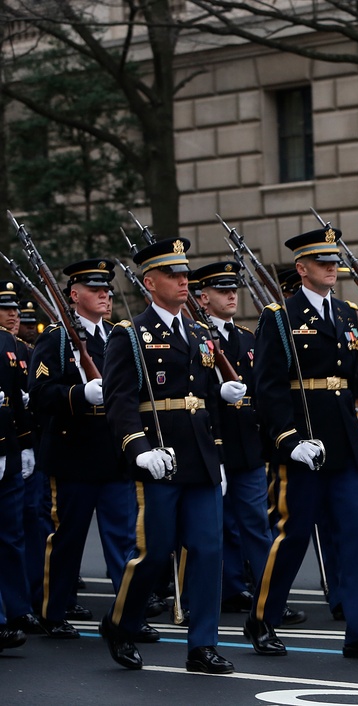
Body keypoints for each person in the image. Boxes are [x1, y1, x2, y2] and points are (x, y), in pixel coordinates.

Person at [246, 225, 358, 660]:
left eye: (335, 261)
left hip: (344, 441)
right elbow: (269, 385)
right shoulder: (280, 316)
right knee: (292, 538)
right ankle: (262, 618)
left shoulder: (347, 313)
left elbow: (352, 377)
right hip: (303, 443)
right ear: (303, 267)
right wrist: (288, 439)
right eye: (323, 262)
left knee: (354, 537)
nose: (333, 267)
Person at [100, 237, 235, 674]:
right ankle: (121, 624)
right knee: (155, 553)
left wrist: (218, 458)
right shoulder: (131, 334)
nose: (183, 281)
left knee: (209, 549)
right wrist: (138, 450)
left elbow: (207, 401)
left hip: (199, 459)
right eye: (174, 275)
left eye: (185, 274)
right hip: (160, 457)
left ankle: (202, 645)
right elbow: (120, 400)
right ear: (149, 282)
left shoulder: (199, 332)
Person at [29, 260, 141, 641]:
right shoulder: (57, 339)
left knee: (124, 541)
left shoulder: (119, 336)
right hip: (74, 455)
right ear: (75, 295)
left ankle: (128, 615)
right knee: (67, 541)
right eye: (96, 290)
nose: (105, 295)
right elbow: (40, 396)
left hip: (113, 453)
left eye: (107, 290)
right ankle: (53, 611)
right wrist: (79, 394)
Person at [193, 262, 274, 617]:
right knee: (219, 524)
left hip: (249, 443)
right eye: (222, 290)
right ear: (202, 297)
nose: (231, 295)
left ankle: (269, 593)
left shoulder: (246, 338)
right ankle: (230, 589)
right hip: (215, 441)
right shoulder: (197, 338)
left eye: (233, 289)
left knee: (256, 521)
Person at [0, 282, 40, 637]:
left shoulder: (11, 346)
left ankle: (17, 609)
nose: (13, 315)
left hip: (9, 452)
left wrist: (25, 444)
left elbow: (17, 402)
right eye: (5, 308)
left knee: (11, 536)